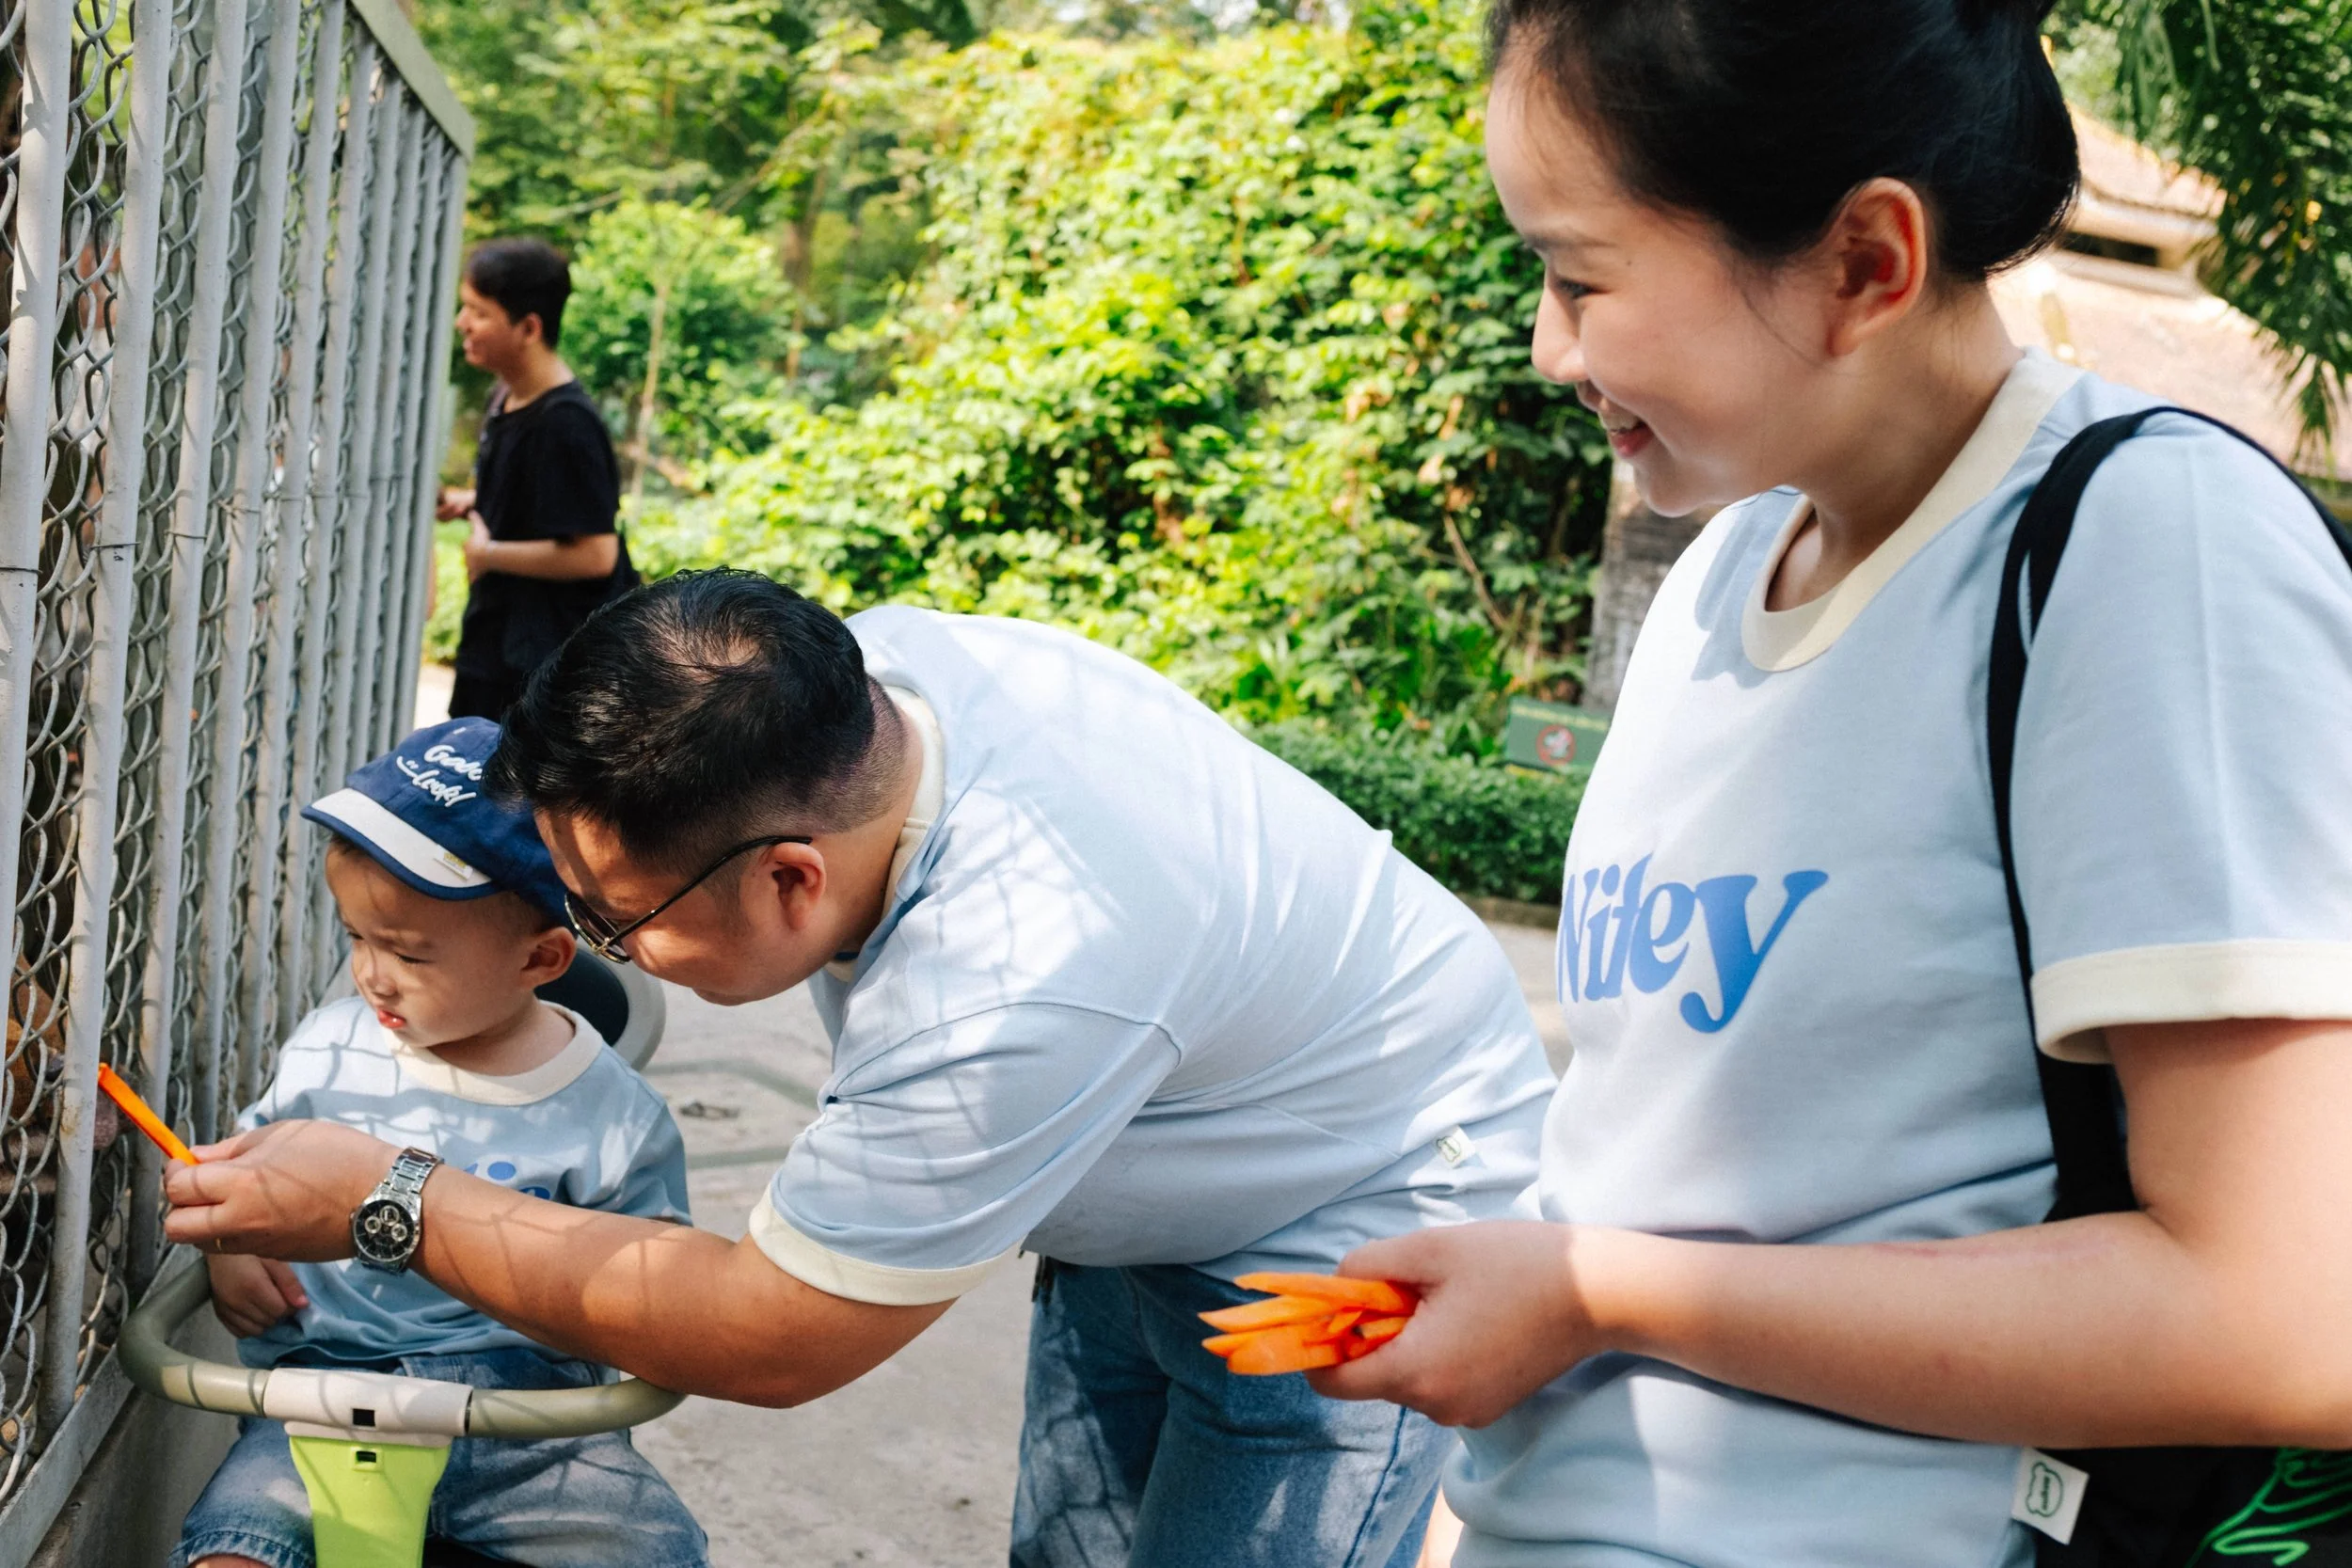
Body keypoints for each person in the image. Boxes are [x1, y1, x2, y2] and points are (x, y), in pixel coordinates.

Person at [1302, 2, 2352, 1565]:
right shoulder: (1729, 564)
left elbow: (2287, 1313)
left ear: (1866, 260)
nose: (1548, 344)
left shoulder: (2144, 545)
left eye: (1581, 275)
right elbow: (1651, 1147)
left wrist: (1595, 1294)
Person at [162, 574, 1560, 1568]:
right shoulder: (844, 695)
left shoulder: (1015, 976)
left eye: (617, 919)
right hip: (1170, 1147)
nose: (605, 953)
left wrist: (388, 1194)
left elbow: (777, 1329)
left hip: (1371, 1211)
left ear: (789, 875)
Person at [173, 718, 706, 1568]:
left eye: (409, 953)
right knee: (235, 1545)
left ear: (541, 957)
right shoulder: (330, 1044)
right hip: (325, 1399)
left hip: (531, 1425)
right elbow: (251, 1162)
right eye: (358, 937)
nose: (372, 973)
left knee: (653, 1548)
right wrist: (230, 1250)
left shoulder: (610, 1112)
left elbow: (655, 1285)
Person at [437, 239, 636, 721]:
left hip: (540, 672)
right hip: (497, 644)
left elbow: (595, 554)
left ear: (528, 327)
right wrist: (473, 501)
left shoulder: (565, 423)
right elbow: (540, 500)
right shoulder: (508, 394)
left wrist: (487, 554)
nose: (463, 323)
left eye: (477, 312)